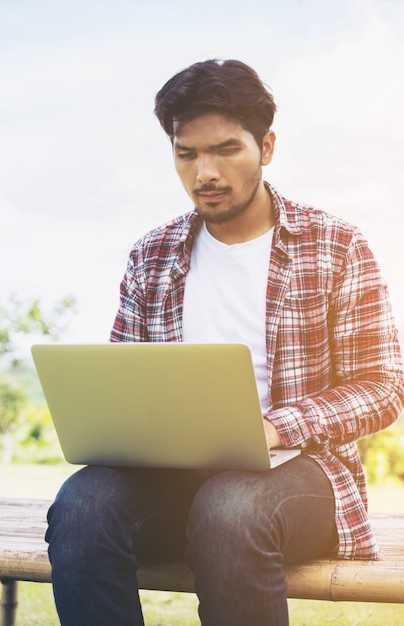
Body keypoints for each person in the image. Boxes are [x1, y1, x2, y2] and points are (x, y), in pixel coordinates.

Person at [45, 59, 404, 626]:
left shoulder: (336, 245)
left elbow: (383, 387)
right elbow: (124, 371)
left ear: (267, 146)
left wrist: (275, 427)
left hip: (300, 478)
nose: (204, 172)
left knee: (231, 505)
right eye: (186, 154)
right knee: (82, 505)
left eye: (225, 150)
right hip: (175, 481)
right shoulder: (152, 254)